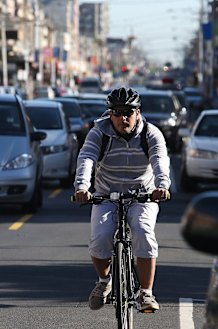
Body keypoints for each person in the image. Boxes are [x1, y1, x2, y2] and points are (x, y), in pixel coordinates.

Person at [73, 87, 171, 312]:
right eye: (116, 112)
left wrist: (162, 186)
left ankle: (146, 293)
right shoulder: (99, 132)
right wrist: (82, 187)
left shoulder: (151, 133)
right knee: (101, 236)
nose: (122, 117)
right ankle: (104, 282)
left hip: (143, 195)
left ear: (138, 112)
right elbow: (86, 157)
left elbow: (159, 159)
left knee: (143, 231)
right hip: (106, 194)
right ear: (109, 114)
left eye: (128, 111)